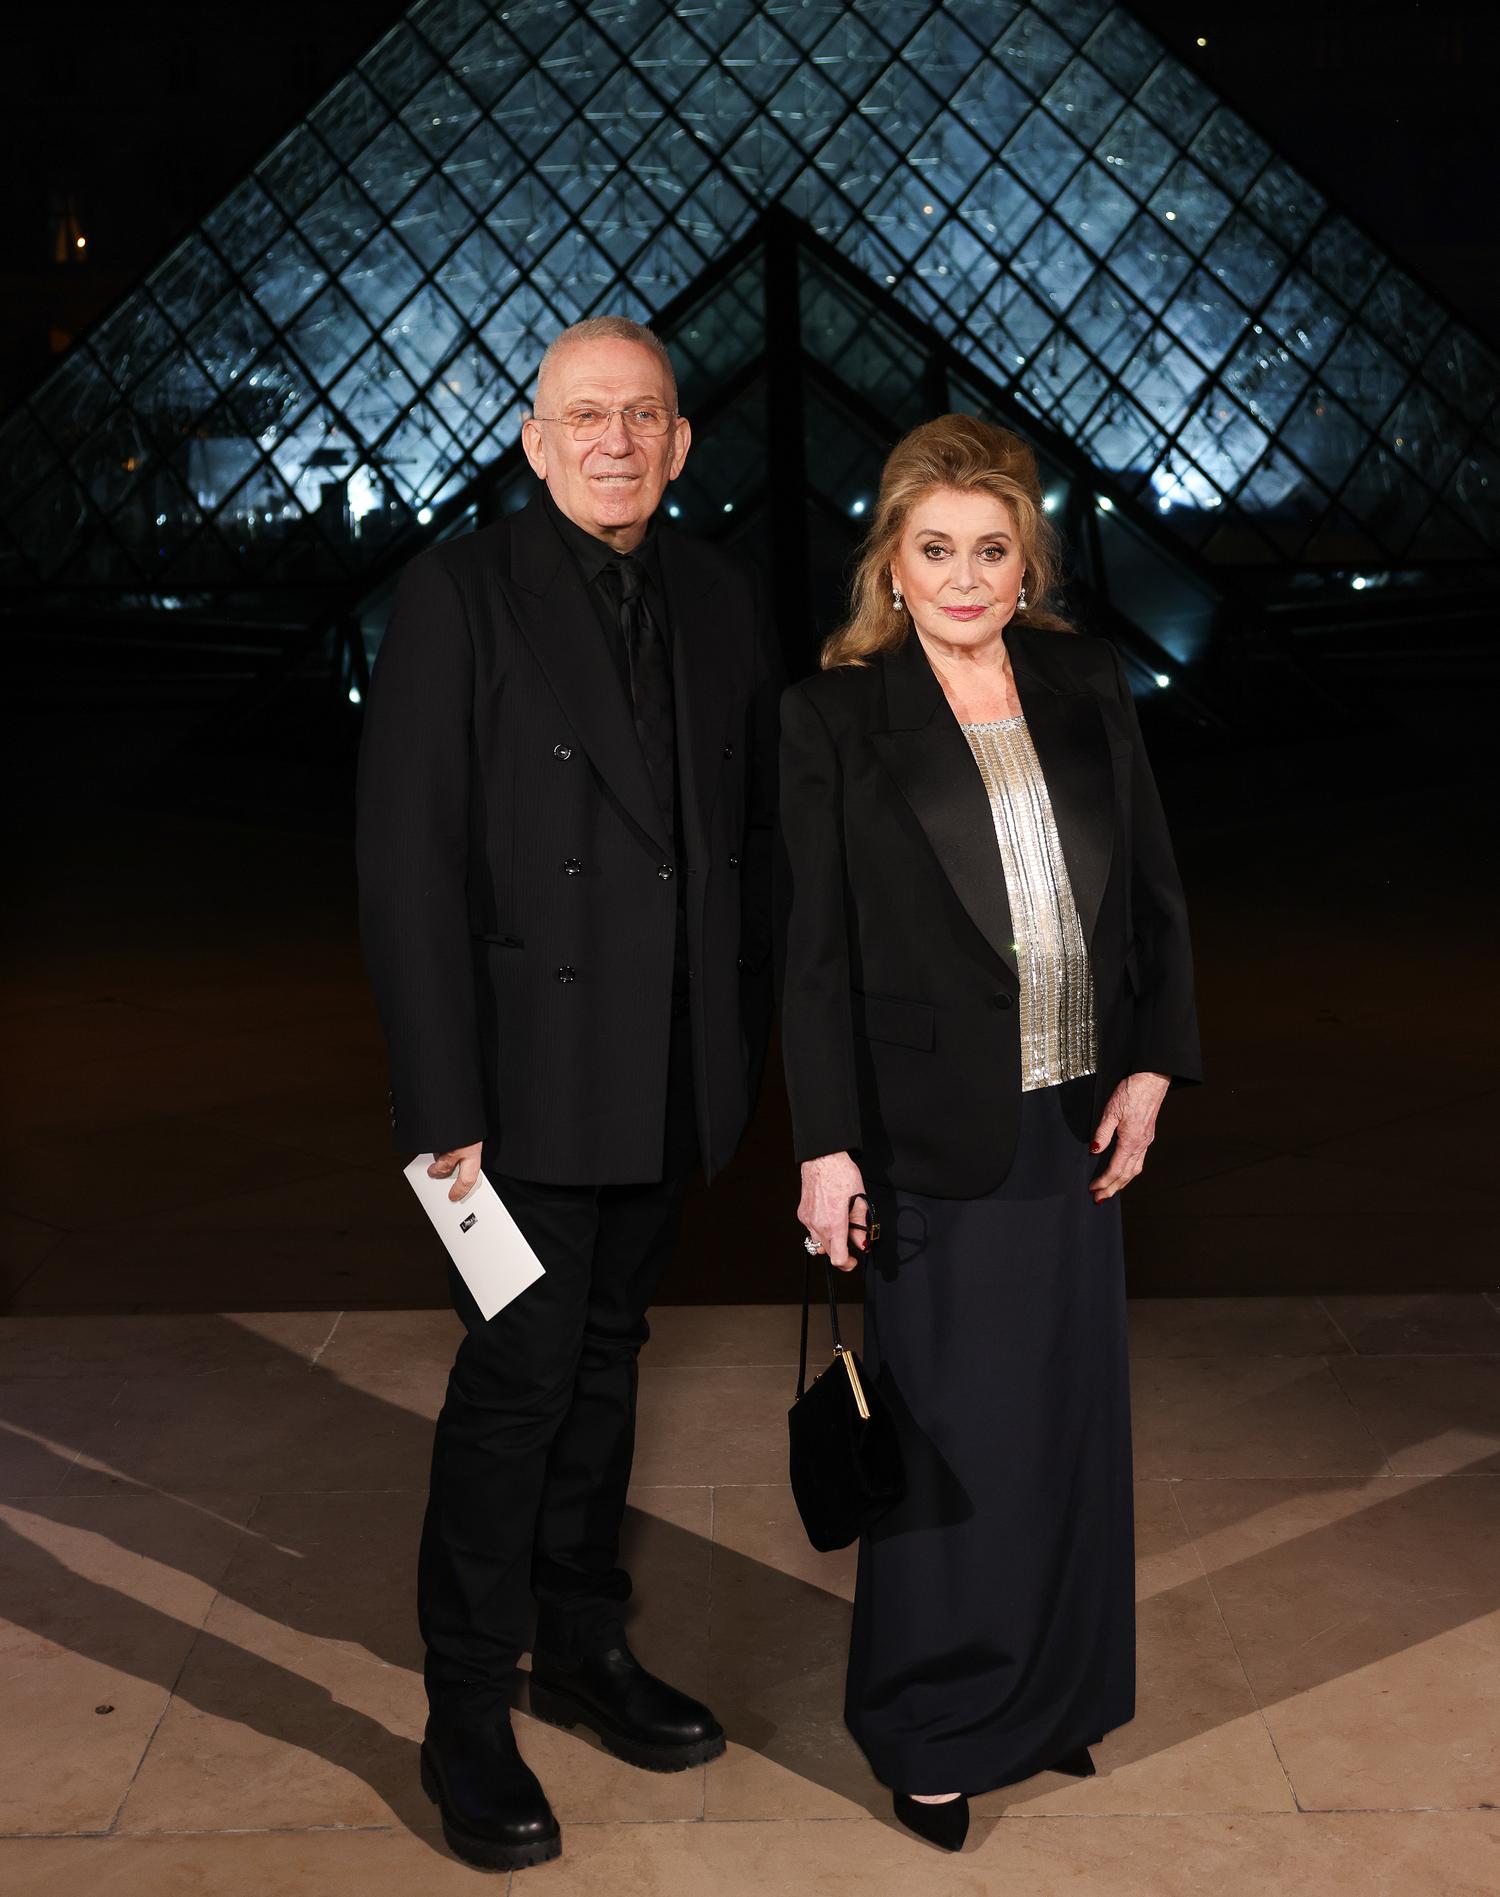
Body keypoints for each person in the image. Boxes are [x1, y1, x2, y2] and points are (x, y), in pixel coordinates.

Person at [357, 316, 777, 1873]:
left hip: (664, 1070)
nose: (615, 438)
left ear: (679, 442)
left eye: (644, 414)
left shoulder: (722, 596)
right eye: (583, 414)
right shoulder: (456, 593)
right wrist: (438, 1096)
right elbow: (406, 865)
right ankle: (465, 1706)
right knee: (520, 1380)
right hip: (519, 1086)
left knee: (608, 1361)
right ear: (534, 442)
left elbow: (747, 839)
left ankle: (585, 1645)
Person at [778, 415, 1200, 1853]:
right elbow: (813, 958)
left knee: (1066, 1430)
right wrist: (823, 1144)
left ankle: (1049, 1695)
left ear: (1030, 560)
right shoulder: (834, 715)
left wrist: (1154, 1066)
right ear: (892, 563)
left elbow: (1153, 888)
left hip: (1074, 1123)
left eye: (991, 549)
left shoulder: (1087, 680)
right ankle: (934, 1727)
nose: (964, 577)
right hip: (923, 1136)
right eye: (935, 549)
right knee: (950, 1447)